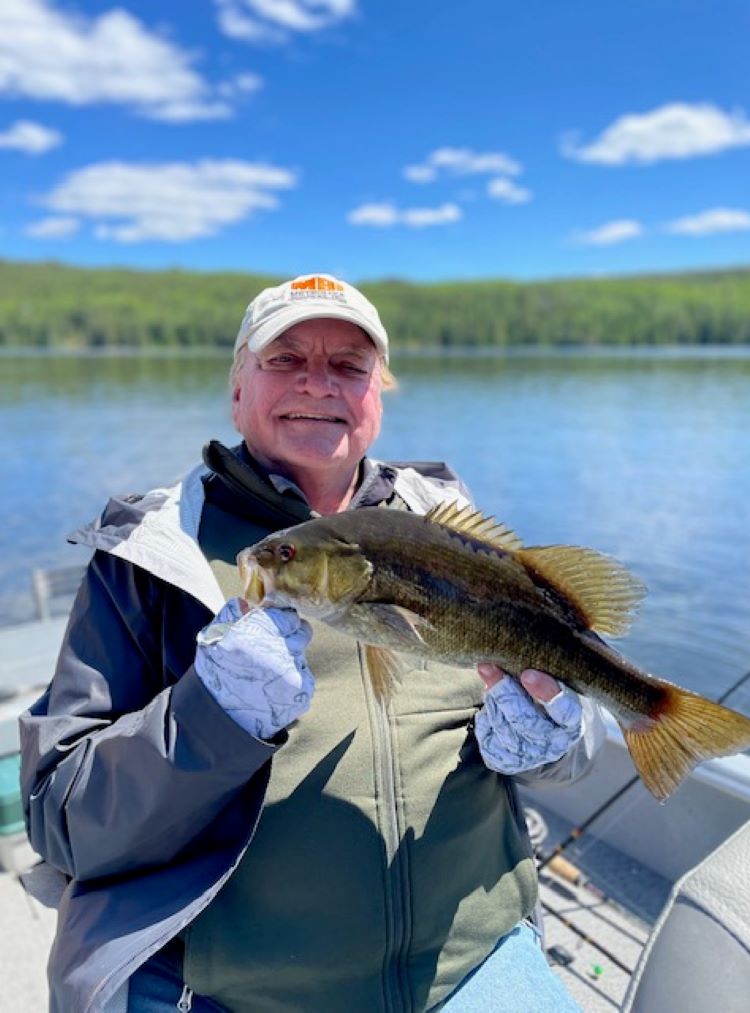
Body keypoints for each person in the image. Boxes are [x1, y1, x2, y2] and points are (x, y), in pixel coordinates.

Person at [19, 273, 604, 1013]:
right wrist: (209, 716)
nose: (318, 383)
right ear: (237, 390)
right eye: (285, 359)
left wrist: (559, 740)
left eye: (349, 366)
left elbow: (575, 714)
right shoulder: (149, 553)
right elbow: (58, 819)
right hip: (237, 992)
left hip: (476, 959)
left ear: (377, 399)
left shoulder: (450, 524)